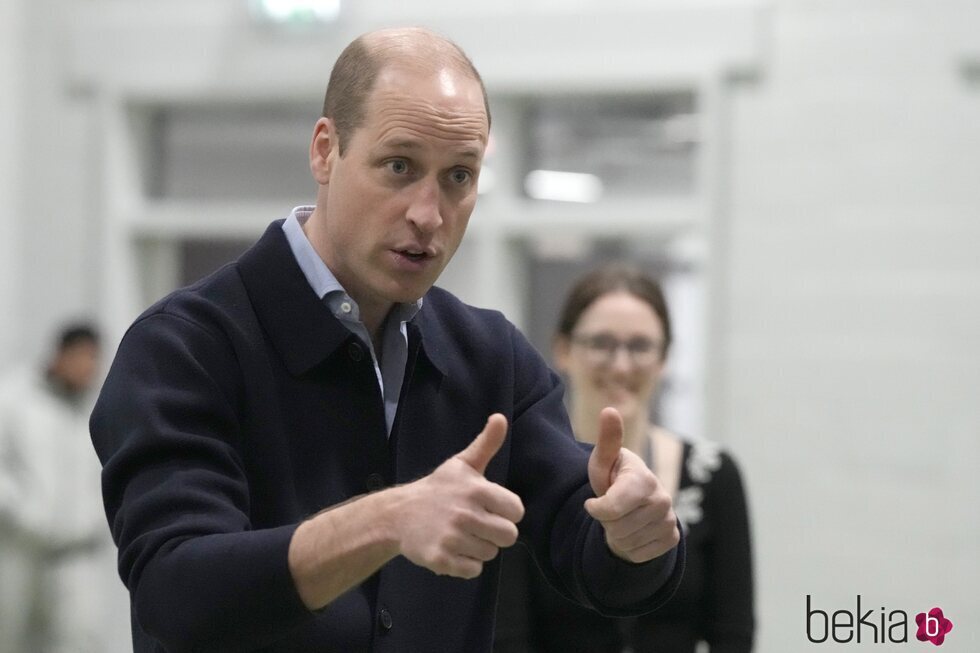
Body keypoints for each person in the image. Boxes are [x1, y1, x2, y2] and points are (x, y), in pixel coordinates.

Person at [89, 27, 685, 652]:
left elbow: (586, 547)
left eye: (459, 176)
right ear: (325, 150)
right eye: (399, 166)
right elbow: (176, 592)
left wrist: (636, 535)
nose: (428, 214)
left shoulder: (491, 358)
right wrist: (388, 520)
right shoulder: (184, 349)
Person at [495, 264, 755, 653]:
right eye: (601, 343)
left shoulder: (713, 475)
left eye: (640, 346)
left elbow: (732, 635)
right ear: (563, 349)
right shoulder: (522, 475)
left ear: (664, 357)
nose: (621, 365)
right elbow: (508, 638)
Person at [0, 323, 130, 653]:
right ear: (61, 354)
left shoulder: (99, 409)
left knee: (80, 640)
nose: (88, 368)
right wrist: (23, 513)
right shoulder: (15, 399)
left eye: (93, 360)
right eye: (81, 357)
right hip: (20, 550)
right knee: (9, 638)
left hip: (77, 557)